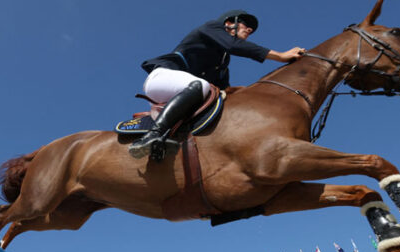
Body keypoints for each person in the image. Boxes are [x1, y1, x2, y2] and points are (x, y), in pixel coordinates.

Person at [128, 9, 305, 159]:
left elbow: (225, 91)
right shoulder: (211, 27)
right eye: (244, 23)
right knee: (202, 86)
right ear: (228, 23)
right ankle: (152, 136)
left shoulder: (222, 62)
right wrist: (281, 56)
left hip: (184, 92)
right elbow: (234, 46)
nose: (249, 29)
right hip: (162, 77)